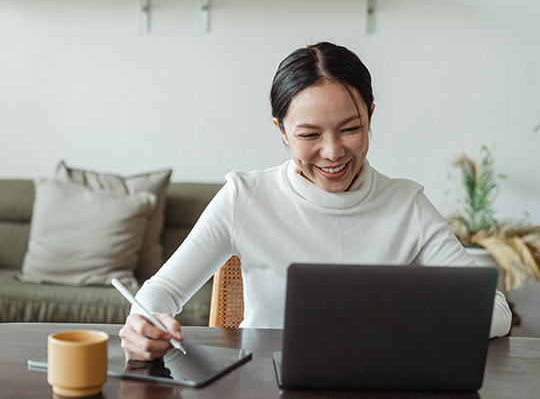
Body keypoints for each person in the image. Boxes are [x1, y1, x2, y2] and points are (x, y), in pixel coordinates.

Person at [119, 42, 512, 360]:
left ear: (370, 117)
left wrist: (410, 319)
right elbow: (161, 291)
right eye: (309, 135)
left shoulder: (406, 205)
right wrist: (144, 323)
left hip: (376, 382)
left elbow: (495, 310)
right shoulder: (245, 197)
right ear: (282, 131)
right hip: (263, 381)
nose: (333, 152)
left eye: (351, 128)